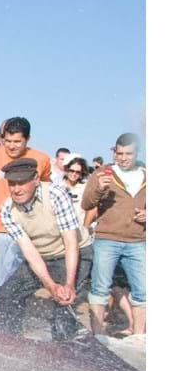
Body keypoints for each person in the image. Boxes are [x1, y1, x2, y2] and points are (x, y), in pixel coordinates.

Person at [0, 159, 92, 341]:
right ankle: (9, 342)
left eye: (22, 182)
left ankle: (64, 351)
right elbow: (29, 252)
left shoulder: (56, 194)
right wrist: (50, 284)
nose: (16, 189)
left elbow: (71, 243)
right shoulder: (7, 210)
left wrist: (68, 284)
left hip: (72, 252)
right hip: (41, 255)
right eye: (12, 184)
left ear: (36, 179)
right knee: (6, 295)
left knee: (65, 304)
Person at [0, 116, 52, 318]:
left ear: (27, 140)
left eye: (17, 141)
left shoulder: (41, 159)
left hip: (27, 231)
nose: (11, 146)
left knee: (19, 280)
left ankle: (13, 321)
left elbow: (45, 191)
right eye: (7, 140)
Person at [82, 133, 146, 337]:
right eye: (119, 153)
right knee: (100, 289)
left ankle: (138, 338)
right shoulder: (103, 173)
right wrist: (100, 189)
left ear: (137, 153)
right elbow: (86, 204)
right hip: (107, 239)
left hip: (138, 240)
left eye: (128, 154)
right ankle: (98, 336)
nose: (123, 158)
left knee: (143, 291)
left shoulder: (148, 174)